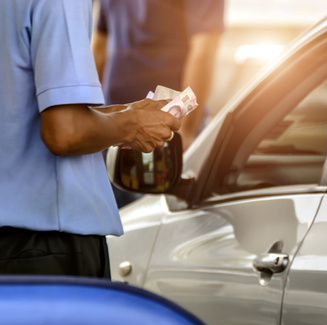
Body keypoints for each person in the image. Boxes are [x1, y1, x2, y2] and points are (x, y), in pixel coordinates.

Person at [0, 0, 181, 278]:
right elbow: (65, 133)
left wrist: (123, 114)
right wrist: (132, 125)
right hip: (45, 246)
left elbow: (20, 111)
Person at [92, 0, 225, 152]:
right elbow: (99, 47)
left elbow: (204, 50)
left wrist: (186, 132)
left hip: (162, 133)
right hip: (112, 128)